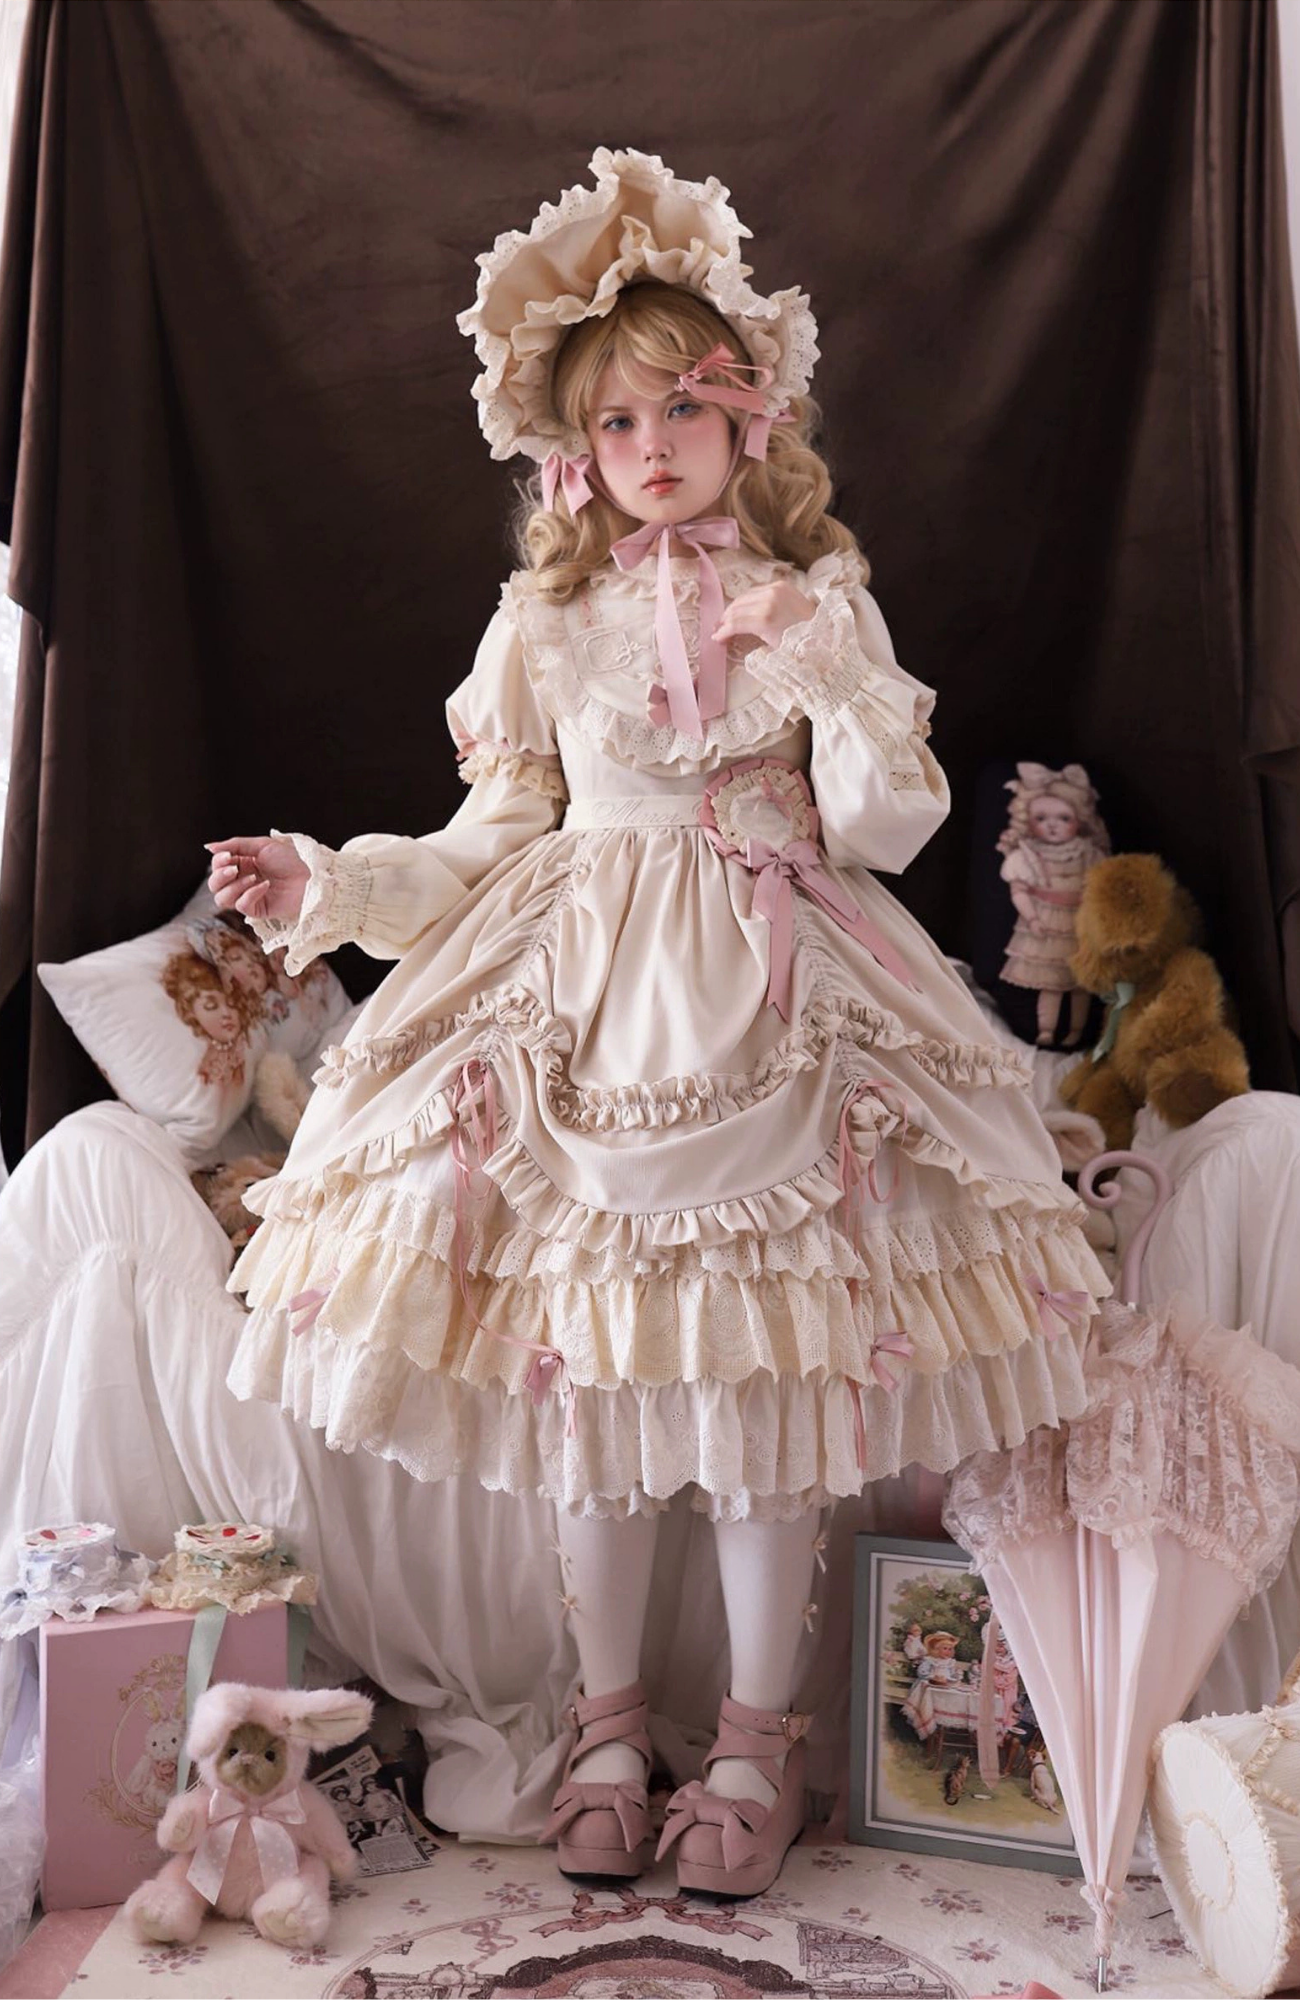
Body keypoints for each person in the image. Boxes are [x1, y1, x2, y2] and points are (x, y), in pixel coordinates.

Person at [205, 148, 1108, 1899]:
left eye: (685, 406)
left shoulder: (819, 599)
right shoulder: (547, 620)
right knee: (595, 1394)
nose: (653, 446)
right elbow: (489, 837)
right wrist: (334, 879)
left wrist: (821, 659)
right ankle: (607, 1730)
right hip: (585, 1004)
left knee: (772, 1398)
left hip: (781, 995)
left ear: (751, 419)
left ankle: (758, 1745)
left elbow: (885, 825)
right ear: (575, 454)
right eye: (616, 422)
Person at [997, 761, 1111, 1046]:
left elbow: (1101, 889)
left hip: (1079, 925)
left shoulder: (1088, 853)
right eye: (1041, 818)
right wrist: (1032, 918)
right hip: (1045, 923)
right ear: (1027, 821)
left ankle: (1076, 1030)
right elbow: (1019, 892)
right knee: (1051, 983)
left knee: (1081, 984)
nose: (1052, 825)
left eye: (1064, 818)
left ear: (1080, 820)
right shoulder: (1026, 855)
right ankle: (1046, 1030)